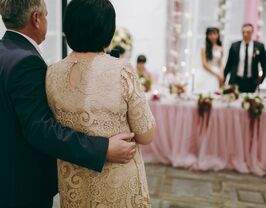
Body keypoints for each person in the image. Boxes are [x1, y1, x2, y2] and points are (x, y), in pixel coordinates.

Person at [0, 0, 136, 207]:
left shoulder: (5, 51)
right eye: (46, 14)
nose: (47, 19)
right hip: (21, 182)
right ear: (36, 19)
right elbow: (39, 128)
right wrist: (102, 149)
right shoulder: (26, 61)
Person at [46, 0, 156, 207]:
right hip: (117, 186)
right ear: (108, 31)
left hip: (74, 187)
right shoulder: (122, 70)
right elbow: (146, 134)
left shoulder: (51, 73)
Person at [224, 23, 266, 92]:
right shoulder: (234, 46)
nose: (245, 34)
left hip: (252, 81)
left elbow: (264, 65)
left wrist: (260, 80)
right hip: (235, 80)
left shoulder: (259, 46)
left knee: (249, 101)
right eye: (243, 32)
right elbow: (229, 64)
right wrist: (224, 77)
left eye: (248, 32)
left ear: (252, 32)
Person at [200, 27, 224, 93]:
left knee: (218, 92)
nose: (213, 36)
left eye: (214, 34)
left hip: (218, 72)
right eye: (210, 34)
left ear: (218, 35)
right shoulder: (204, 48)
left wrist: (221, 73)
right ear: (207, 36)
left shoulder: (221, 48)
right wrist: (216, 74)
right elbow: (204, 64)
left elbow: (221, 63)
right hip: (208, 72)